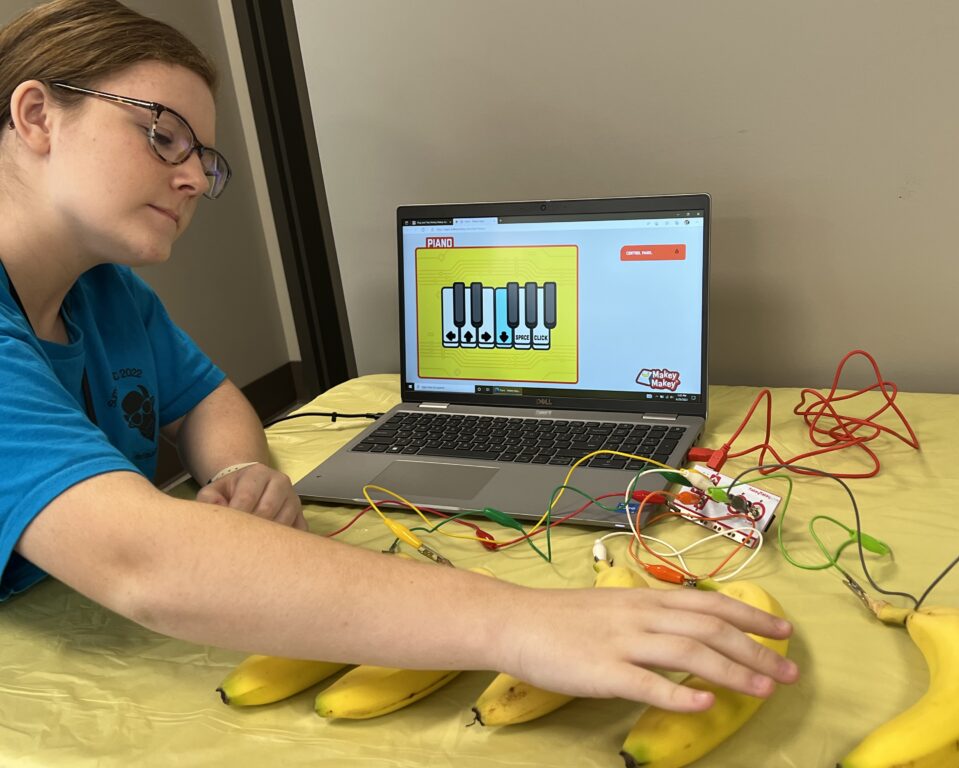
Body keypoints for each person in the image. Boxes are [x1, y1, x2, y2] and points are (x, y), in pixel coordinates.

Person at [0, 0, 797, 717]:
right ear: (37, 115)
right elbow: (148, 566)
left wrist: (241, 472)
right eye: (162, 135)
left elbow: (209, 399)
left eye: (202, 159)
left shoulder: (107, 293)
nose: (188, 177)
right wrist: (519, 621)